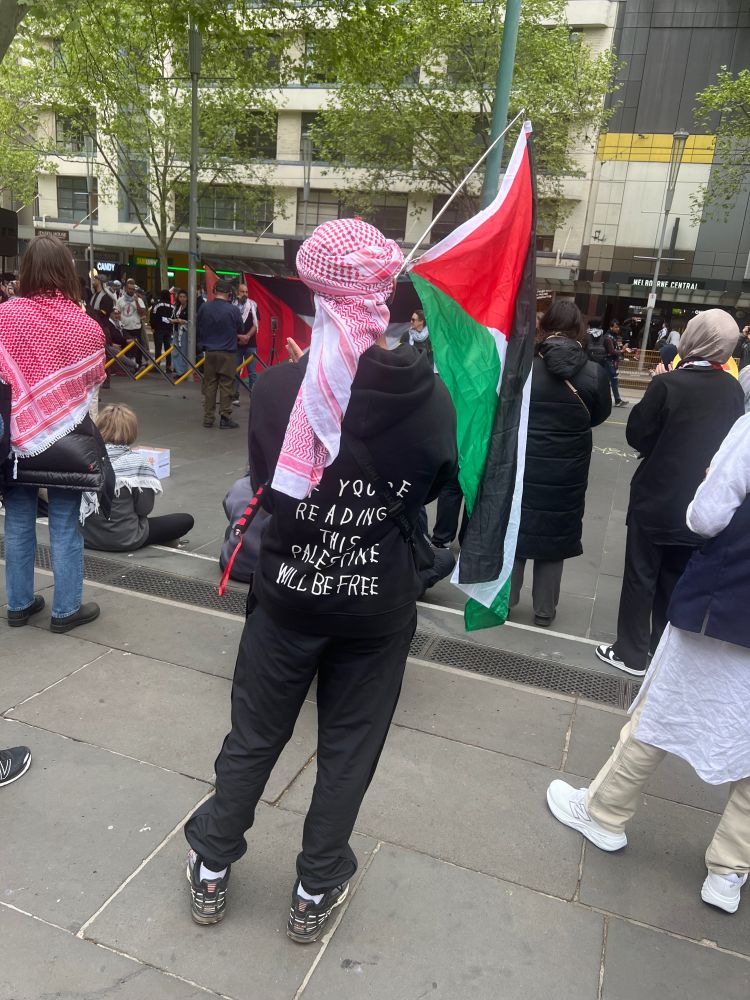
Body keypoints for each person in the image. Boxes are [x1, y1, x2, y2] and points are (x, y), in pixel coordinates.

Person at [183, 218, 457, 941]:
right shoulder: (434, 399)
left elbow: (269, 490)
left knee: (254, 735)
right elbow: (434, 488)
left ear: (315, 291)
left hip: (289, 597)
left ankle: (212, 867)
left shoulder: (276, 392)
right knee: (348, 751)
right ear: (385, 294)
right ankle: (314, 886)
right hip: (377, 607)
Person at [549, 411, 750, 915]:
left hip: (725, 604)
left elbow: (705, 516)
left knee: (661, 712)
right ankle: (729, 871)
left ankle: (605, 812)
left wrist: (708, 481)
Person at [596, 309, 744, 676]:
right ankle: (661, 652)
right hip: (697, 502)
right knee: (674, 578)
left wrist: (654, 387)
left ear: (694, 338)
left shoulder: (668, 384)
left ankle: (629, 652)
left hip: (655, 497)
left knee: (640, 575)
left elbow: (638, 436)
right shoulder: (731, 390)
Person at [0, 235, 105, 633]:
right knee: (64, 520)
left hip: (14, 438)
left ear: (27, 270)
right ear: (67, 271)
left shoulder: (6, 315)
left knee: (19, 518)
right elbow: (90, 390)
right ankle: (65, 610)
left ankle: (19, 604)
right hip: (66, 439)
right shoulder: (86, 327)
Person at [510, 301, 611, 626]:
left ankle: (506, 600)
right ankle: (544, 610)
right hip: (568, 470)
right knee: (554, 539)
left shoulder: (523, 364)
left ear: (545, 324)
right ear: (579, 330)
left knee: (516, 533)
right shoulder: (593, 373)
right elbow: (599, 415)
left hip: (524, 464)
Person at [82, 404, 193, 551]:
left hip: (86, 537)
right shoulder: (137, 462)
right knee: (185, 520)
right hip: (124, 538)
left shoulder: (85, 456)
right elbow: (144, 509)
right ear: (131, 430)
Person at [197, 279, 243, 429]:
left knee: (209, 385)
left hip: (210, 352)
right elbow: (240, 328)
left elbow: (199, 327)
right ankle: (225, 417)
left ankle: (208, 418)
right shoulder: (233, 310)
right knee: (226, 385)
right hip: (228, 352)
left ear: (214, 291)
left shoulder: (204, 307)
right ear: (229, 294)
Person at [588, 317, 627, 408]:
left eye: (618, 327)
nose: (617, 329)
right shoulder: (607, 337)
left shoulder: (611, 336)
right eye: (615, 327)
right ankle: (616, 400)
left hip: (607, 361)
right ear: (610, 327)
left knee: (607, 381)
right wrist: (622, 351)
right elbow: (612, 351)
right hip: (608, 361)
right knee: (612, 380)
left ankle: (607, 399)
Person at [233, 283, 259, 404]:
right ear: (238, 293)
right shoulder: (232, 306)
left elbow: (256, 324)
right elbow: (230, 325)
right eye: (242, 292)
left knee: (252, 373)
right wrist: (239, 336)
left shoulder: (253, 305)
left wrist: (247, 336)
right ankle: (235, 396)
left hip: (251, 343)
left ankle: (253, 397)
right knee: (235, 371)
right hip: (236, 343)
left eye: (246, 292)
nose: (245, 294)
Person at [116, 277, 148, 368]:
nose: (131, 291)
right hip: (125, 328)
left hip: (136, 328)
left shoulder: (139, 299)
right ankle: (126, 367)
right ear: (126, 288)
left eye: (133, 289)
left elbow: (142, 313)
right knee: (126, 348)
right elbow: (117, 313)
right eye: (129, 289)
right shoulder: (120, 300)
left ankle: (138, 365)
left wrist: (137, 301)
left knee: (137, 349)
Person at [149, 290, 174, 372]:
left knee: (158, 348)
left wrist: (153, 326)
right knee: (168, 348)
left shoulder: (157, 305)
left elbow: (153, 315)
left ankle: (157, 365)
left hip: (158, 329)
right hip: (168, 329)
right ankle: (168, 366)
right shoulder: (172, 306)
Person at [170, 289, 190, 378]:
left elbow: (191, 321)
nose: (182, 299)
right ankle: (179, 370)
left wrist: (182, 321)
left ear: (187, 298)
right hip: (177, 331)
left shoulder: (189, 308)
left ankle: (182, 371)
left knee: (183, 352)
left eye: (184, 297)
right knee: (174, 351)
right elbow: (173, 317)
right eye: (180, 297)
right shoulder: (177, 307)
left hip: (185, 332)